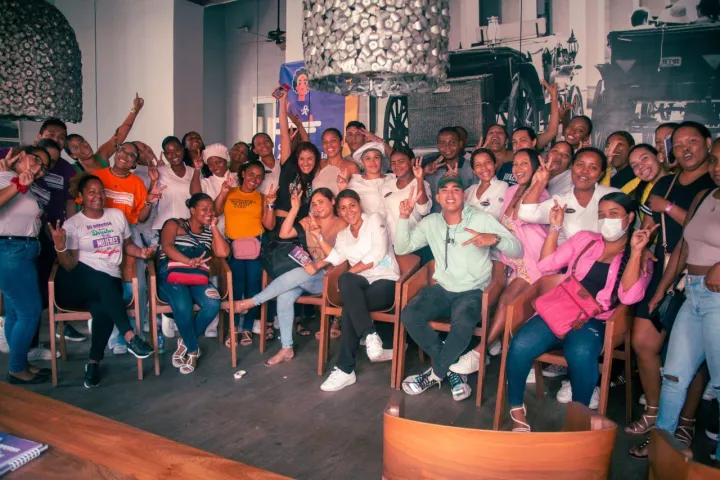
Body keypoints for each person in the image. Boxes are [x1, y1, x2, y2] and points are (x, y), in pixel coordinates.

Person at [507, 192, 653, 432]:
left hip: (595, 320)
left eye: (614, 214)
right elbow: (546, 265)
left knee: (581, 352)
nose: (607, 220)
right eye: (602, 215)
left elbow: (629, 297)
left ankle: (578, 418)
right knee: (520, 344)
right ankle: (516, 410)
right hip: (562, 310)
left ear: (629, 218)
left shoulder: (640, 256)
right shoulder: (586, 239)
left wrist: (636, 252)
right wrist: (555, 227)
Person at [627, 123, 716, 457]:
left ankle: (686, 422)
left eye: (692, 141)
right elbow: (657, 227)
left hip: (705, 282)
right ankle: (656, 416)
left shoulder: (711, 185)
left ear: (707, 143)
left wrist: (666, 207)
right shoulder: (670, 183)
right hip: (670, 273)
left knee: (697, 363)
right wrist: (645, 244)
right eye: (678, 145)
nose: (685, 149)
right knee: (646, 345)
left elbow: (687, 226)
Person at [396, 172, 522, 401]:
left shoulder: (481, 219)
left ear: (464, 195)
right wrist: (404, 218)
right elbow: (402, 247)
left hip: (473, 290)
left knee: (462, 322)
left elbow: (517, 249)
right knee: (409, 314)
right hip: (443, 288)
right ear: (437, 197)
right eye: (444, 190)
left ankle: (435, 374)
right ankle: (452, 370)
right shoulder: (431, 222)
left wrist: (494, 239)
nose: (450, 194)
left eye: (456, 189)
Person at [49, 174, 155, 388]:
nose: (97, 196)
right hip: (77, 284)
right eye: (91, 192)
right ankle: (130, 336)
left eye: (101, 191)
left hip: (108, 286)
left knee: (102, 307)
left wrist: (141, 252)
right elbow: (70, 266)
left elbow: (127, 245)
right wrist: (60, 247)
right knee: (103, 281)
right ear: (80, 197)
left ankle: (93, 363)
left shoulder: (116, 216)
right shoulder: (73, 224)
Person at [451, 149, 551, 374]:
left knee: (507, 301)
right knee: (492, 297)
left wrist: (539, 183)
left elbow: (526, 213)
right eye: (515, 164)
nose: (518, 169)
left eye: (525, 164)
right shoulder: (511, 191)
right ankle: (488, 348)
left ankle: (480, 351)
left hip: (532, 262)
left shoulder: (543, 196)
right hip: (509, 258)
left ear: (536, 168)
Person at [652, 147, 720, 462]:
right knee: (674, 376)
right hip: (692, 293)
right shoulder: (704, 196)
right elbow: (683, 247)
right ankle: (662, 448)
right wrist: (661, 289)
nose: (717, 167)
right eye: (715, 160)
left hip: (717, 298)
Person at [233, 188, 347, 365]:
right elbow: (283, 234)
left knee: (300, 273)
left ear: (332, 201)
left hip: (329, 277)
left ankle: (252, 302)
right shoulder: (309, 221)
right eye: (314, 204)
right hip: (306, 274)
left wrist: (318, 261)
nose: (317, 207)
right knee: (284, 296)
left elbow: (341, 256)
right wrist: (294, 209)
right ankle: (287, 348)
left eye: (321, 202)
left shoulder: (342, 224)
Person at [313, 190, 399, 392]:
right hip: (362, 285)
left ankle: (345, 369)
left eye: (352, 205)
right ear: (339, 211)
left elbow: (378, 254)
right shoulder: (343, 235)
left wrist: (351, 271)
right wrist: (318, 237)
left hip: (386, 280)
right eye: (342, 208)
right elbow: (336, 258)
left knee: (350, 305)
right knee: (346, 280)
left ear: (359, 204)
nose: (348, 211)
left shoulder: (374, 219)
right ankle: (370, 335)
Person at [93, 141, 163, 354]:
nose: (125, 155)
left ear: (134, 162)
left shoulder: (137, 183)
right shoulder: (98, 177)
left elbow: (141, 217)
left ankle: (134, 334)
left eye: (132, 155)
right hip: (99, 232)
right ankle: (115, 335)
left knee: (136, 286)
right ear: (116, 152)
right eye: (123, 150)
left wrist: (149, 200)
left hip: (129, 233)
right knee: (108, 286)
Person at [158, 193, 230, 374]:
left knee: (213, 303)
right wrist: (188, 261)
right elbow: (167, 247)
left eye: (211, 209)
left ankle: (185, 341)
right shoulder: (174, 224)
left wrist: (214, 227)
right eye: (204, 209)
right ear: (192, 210)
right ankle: (192, 351)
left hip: (197, 278)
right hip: (172, 276)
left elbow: (223, 253)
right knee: (183, 305)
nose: (209, 212)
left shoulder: (209, 232)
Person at [0, 146, 52, 384]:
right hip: (10, 249)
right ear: (21, 155)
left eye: (44, 167)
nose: (39, 168)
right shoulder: (5, 178)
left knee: (15, 312)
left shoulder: (20, 181)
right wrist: (17, 185)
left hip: (22, 250)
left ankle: (20, 362)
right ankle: (16, 369)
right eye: (36, 160)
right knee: (30, 313)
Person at [216, 160, 277, 347]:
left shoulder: (262, 197)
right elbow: (216, 211)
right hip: (233, 247)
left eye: (259, 177)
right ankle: (233, 328)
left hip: (255, 247)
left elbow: (269, 225)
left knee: (253, 288)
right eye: (251, 174)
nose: (254, 179)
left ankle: (247, 328)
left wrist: (270, 205)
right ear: (243, 173)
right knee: (234, 288)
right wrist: (223, 193)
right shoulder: (230, 192)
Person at [519, 147, 620, 245]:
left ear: (600, 174)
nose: (585, 171)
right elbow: (526, 214)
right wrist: (541, 182)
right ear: (572, 168)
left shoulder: (613, 196)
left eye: (593, 167)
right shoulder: (561, 202)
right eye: (580, 165)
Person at [64, 93, 144, 173]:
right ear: (73, 156)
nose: (82, 147)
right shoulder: (73, 170)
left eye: (81, 141)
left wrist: (135, 109)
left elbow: (120, 135)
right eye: (75, 148)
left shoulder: (102, 155)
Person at [273, 91, 316, 219]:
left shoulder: (310, 169)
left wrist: (299, 125)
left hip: (303, 223)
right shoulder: (289, 163)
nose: (305, 162)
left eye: (299, 139)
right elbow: (283, 134)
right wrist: (282, 101)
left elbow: (308, 148)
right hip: (284, 220)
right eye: (302, 159)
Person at [381, 146, 432, 243]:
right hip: (392, 241)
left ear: (412, 162)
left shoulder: (422, 184)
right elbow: (383, 215)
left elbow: (423, 210)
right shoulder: (387, 185)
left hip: (414, 241)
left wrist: (419, 179)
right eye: (393, 163)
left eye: (401, 161)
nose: (397, 166)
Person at [424, 127, 478, 212]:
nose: (447, 147)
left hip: (464, 218)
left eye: (452, 142)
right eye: (443, 143)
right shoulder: (429, 168)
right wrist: (423, 173)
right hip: (435, 218)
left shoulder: (472, 167)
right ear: (438, 145)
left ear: (460, 144)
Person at [337, 142, 393, 217]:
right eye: (367, 158)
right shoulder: (355, 183)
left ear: (382, 160)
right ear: (362, 162)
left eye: (376, 157)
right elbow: (343, 211)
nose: (372, 161)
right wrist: (342, 190)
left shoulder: (392, 179)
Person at [464, 148, 509, 219]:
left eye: (488, 162)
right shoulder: (470, 190)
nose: (483, 167)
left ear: (495, 165)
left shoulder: (502, 186)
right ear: (474, 171)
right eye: (478, 164)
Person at [624, 144, 669, 216]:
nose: (640, 166)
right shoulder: (635, 188)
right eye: (635, 166)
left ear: (660, 157)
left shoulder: (680, 180)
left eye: (645, 158)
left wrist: (668, 207)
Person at [313, 128, 360, 195]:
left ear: (341, 143)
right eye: (325, 142)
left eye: (333, 140)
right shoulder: (319, 164)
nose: (329, 145)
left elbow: (359, 195)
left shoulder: (351, 167)